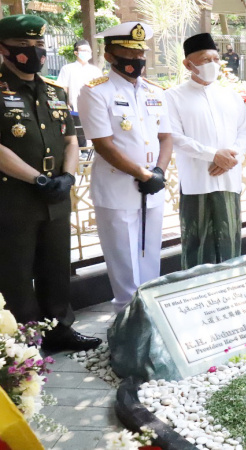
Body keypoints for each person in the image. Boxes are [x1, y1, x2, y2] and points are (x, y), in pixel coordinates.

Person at [0, 15, 101, 352]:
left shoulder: (55, 90)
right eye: (24, 47)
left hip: (56, 192)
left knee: (56, 265)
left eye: (39, 45)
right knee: (15, 270)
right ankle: (25, 341)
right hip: (14, 195)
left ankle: (59, 330)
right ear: (4, 49)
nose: (34, 52)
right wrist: (37, 178)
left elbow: (71, 140)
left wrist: (68, 176)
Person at [77, 22, 173, 313]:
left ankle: (151, 316)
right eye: (128, 54)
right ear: (109, 56)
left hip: (152, 187)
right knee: (124, 261)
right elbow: (104, 144)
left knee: (150, 257)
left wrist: (158, 171)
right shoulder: (95, 92)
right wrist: (142, 173)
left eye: (140, 53)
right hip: (118, 190)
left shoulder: (155, 91)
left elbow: (166, 137)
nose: (136, 60)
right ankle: (127, 319)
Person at [166, 33, 246, 270]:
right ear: (188, 64)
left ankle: (230, 289)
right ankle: (197, 293)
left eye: (215, 58)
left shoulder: (232, 96)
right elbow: (174, 137)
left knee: (230, 238)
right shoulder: (172, 97)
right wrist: (213, 155)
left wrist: (231, 156)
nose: (212, 64)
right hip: (196, 180)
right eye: (205, 60)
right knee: (198, 241)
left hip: (228, 177)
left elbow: (245, 132)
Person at [56, 39, 103, 112]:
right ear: (76, 53)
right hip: (73, 109)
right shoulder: (67, 69)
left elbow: (100, 90)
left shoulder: (95, 71)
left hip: (93, 109)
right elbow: (63, 88)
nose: (86, 53)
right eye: (83, 51)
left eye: (88, 51)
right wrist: (65, 104)